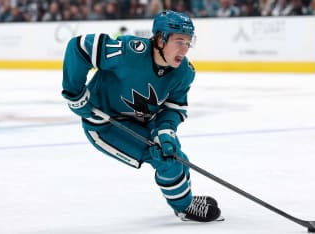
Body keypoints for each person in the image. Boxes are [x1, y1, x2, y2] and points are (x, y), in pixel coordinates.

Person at [61, 10, 222, 222]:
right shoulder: (129, 52)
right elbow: (79, 47)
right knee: (164, 160)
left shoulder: (184, 72)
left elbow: (173, 108)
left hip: (140, 121)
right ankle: (184, 206)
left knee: (172, 155)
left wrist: (165, 131)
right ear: (160, 38)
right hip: (105, 126)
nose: (184, 49)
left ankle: (185, 202)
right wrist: (75, 94)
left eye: (188, 42)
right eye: (179, 41)